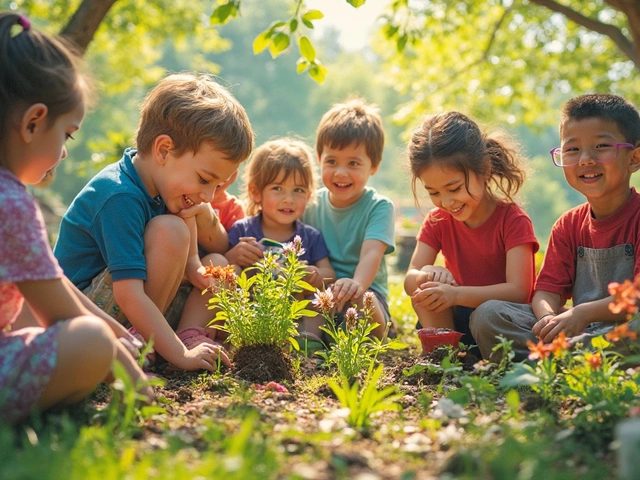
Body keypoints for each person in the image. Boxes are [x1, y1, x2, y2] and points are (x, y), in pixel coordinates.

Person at [0, 12, 150, 424]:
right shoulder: (10, 203)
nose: (64, 152)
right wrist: (131, 375)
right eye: (66, 133)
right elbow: (60, 312)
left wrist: (120, 332)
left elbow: (54, 286)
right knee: (89, 341)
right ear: (33, 122)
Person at [54, 73, 255, 372]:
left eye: (217, 186)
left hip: (135, 306)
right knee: (170, 229)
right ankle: (153, 346)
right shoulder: (119, 196)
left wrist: (196, 267)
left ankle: (179, 336)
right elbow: (129, 294)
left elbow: (192, 254)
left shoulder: (165, 187)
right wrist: (182, 358)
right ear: (163, 150)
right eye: (204, 179)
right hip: (83, 312)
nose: (208, 195)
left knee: (217, 263)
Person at [471, 93, 640, 361]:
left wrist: (582, 313)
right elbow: (546, 291)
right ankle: (567, 358)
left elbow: (636, 300)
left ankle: (550, 361)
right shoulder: (568, 225)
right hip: (575, 329)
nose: (585, 159)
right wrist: (549, 320)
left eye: (601, 146)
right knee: (489, 314)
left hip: (620, 328)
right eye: (572, 149)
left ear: (634, 158)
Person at [404, 112, 538, 354]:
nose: (445, 201)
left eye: (454, 188)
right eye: (433, 192)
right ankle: (447, 359)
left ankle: (487, 361)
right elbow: (409, 279)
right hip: (457, 318)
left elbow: (519, 291)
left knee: (488, 313)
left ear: (484, 169)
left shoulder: (513, 220)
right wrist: (425, 274)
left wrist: (455, 295)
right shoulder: (437, 221)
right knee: (425, 290)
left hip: (502, 320)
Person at [303, 99, 395, 339]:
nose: (341, 173)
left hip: (363, 290)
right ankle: (316, 340)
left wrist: (356, 283)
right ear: (319, 158)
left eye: (353, 163)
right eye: (331, 161)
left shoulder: (379, 207)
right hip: (321, 292)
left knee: (363, 303)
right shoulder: (310, 204)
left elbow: (371, 255)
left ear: (373, 166)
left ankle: (373, 333)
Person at [223, 137, 335, 284]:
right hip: (248, 304)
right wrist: (232, 256)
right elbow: (221, 260)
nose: (289, 199)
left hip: (292, 305)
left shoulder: (310, 237)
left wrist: (313, 274)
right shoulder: (242, 231)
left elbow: (330, 274)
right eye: (277, 188)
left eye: (298, 190)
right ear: (256, 192)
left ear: (308, 196)